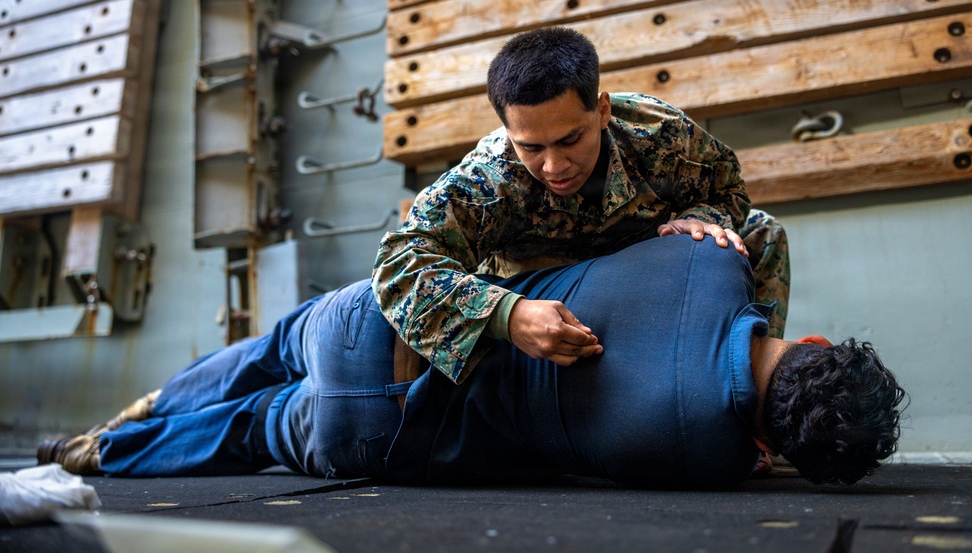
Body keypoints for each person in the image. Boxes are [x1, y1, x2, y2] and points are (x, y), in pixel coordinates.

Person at [37, 237, 904, 488]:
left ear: (814, 343)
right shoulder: (709, 459)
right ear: (775, 446)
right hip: (382, 428)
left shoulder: (713, 258)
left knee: (266, 351)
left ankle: (142, 402)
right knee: (254, 428)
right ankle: (108, 454)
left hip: (376, 320)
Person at [373, 26, 790, 385]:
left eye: (570, 139)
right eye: (531, 147)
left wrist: (699, 218)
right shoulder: (488, 180)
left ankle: (755, 385)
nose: (554, 166)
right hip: (549, 310)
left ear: (603, 110)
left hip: (648, 278)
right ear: (507, 131)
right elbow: (397, 264)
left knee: (761, 232)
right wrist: (508, 316)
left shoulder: (659, 133)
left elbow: (726, 188)